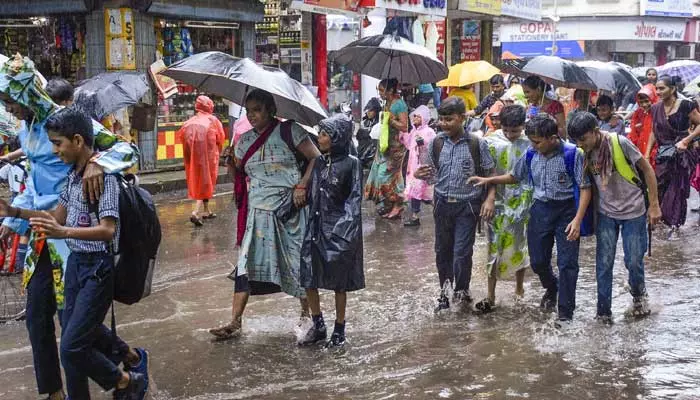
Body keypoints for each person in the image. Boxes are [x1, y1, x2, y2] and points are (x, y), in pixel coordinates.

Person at [0, 54, 138, 400]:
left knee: (72, 325)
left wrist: (98, 165)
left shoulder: (65, 122)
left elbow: (126, 148)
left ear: (27, 93)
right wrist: (12, 218)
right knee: (36, 317)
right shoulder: (28, 129)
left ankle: (99, 379)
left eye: (10, 100)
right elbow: (33, 182)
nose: (8, 108)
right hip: (43, 231)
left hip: (74, 236)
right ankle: (54, 391)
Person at [209, 89, 320, 340]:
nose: (252, 115)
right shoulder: (244, 141)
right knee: (246, 265)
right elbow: (236, 175)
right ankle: (235, 321)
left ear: (271, 110)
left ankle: (308, 316)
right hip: (258, 213)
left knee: (297, 264)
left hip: (289, 210)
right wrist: (228, 160)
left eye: (257, 110)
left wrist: (302, 185)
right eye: (248, 111)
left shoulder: (290, 131)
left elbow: (316, 159)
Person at [469, 114, 591, 323]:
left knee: (567, 263)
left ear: (552, 138)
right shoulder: (531, 154)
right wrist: (489, 180)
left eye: (537, 142)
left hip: (567, 211)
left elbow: (585, 187)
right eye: (532, 142)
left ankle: (565, 314)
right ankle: (552, 287)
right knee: (538, 261)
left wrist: (578, 220)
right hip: (540, 209)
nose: (533, 146)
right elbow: (514, 176)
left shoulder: (573, 154)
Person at [568, 112, 662, 322]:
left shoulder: (620, 143)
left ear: (594, 131)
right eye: (576, 141)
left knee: (634, 261)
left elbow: (647, 170)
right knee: (603, 264)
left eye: (582, 139)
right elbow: (585, 186)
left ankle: (638, 296)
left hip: (634, 211)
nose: (579, 144)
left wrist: (654, 205)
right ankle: (603, 313)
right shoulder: (583, 154)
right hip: (605, 214)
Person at [414, 97, 496, 312]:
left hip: (467, 206)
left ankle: (461, 290)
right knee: (442, 251)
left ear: (461, 118)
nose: (444, 123)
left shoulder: (477, 144)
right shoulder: (437, 143)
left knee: (461, 252)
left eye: (449, 119)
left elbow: (490, 174)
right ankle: (444, 291)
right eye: (441, 119)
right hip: (441, 204)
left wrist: (489, 199)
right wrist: (419, 174)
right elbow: (431, 175)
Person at [298, 115, 364, 348]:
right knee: (308, 275)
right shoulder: (317, 163)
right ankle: (318, 325)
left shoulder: (352, 164)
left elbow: (354, 200)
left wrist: (343, 232)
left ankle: (339, 328)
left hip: (339, 231)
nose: (320, 138)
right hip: (315, 227)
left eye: (324, 134)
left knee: (339, 282)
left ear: (337, 137)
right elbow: (310, 195)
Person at [472, 105, 532, 313]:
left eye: (515, 131)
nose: (510, 135)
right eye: (506, 130)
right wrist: (488, 199)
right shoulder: (491, 142)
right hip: (496, 201)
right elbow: (487, 172)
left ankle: (519, 288)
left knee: (520, 245)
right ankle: (490, 295)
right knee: (493, 246)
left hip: (523, 202)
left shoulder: (531, 143)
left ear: (523, 126)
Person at [646, 75, 700, 236]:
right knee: (660, 190)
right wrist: (647, 153)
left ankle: (673, 226)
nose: (658, 91)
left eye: (662, 88)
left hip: (681, 156)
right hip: (663, 156)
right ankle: (662, 224)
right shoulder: (655, 108)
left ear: (673, 89)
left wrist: (686, 140)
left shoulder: (685, 105)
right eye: (657, 88)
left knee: (676, 192)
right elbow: (654, 132)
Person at [176, 95, 225, 226]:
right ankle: (195, 212)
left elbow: (181, 136)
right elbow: (220, 138)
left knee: (198, 179)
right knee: (205, 182)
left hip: (193, 157)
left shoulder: (189, 122)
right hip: (208, 157)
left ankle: (207, 210)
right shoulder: (213, 120)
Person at [365, 78, 408, 220]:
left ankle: (398, 203)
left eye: (382, 90)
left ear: (390, 90)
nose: (380, 93)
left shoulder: (399, 104)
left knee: (385, 176)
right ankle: (392, 205)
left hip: (395, 148)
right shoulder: (387, 103)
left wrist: (391, 120)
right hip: (385, 146)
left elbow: (404, 126)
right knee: (385, 175)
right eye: (379, 90)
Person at [400, 105, 436, 227]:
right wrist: (402, 135)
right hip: (413, 165)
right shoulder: (414, 131)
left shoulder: (429, 132)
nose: (415, 118)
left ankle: (438, 211)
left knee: (424, 191)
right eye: (414, 115)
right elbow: (409, 143)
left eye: (418, 116)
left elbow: (432, 147)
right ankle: (415, 216)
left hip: (423, 165)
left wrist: (423, 144)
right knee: (416, 191)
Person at [0, 136, 28, 272]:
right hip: (25, 196)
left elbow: (1, 176)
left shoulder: (10, 166)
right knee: (25, 233)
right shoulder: (28, 163)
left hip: (16, 197)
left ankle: (10, 263)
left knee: (11, 231)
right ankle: (19, 264)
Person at [628, 84, 658, 170]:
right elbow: (633, 134)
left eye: (647, 101)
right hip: (640, 152)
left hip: (654, 153)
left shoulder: (659, 113)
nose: (644, 105)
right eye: (641, 102)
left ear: (653, 99)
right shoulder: (638, 113)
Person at [356, 97, 381, 169]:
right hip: (362, 152)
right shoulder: (364, 122)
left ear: (376, 111)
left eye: (371, 110)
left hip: (374, 154)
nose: (368, 112)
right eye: (367, 110)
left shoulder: (379, 123)